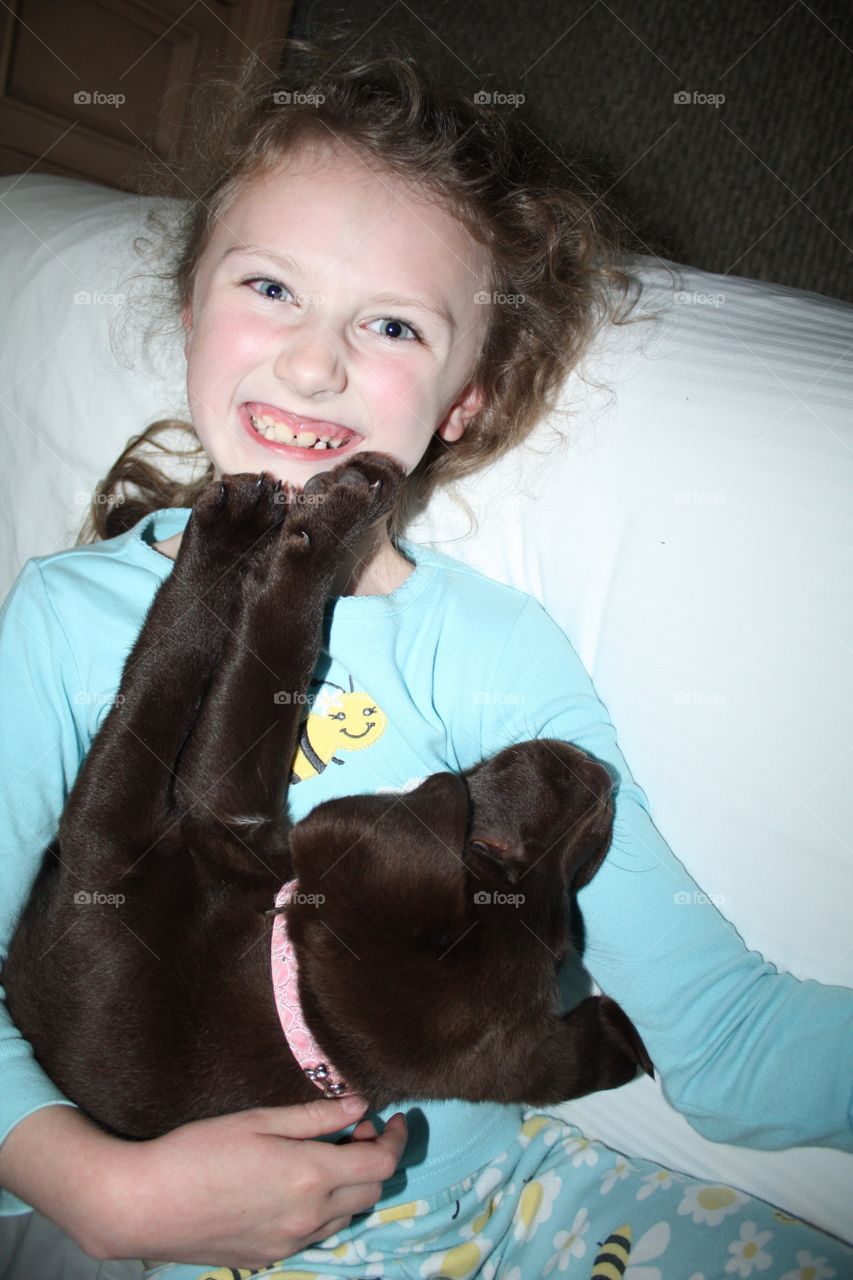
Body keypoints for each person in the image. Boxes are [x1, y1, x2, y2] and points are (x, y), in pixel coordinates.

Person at [0, 31, 851, 1280]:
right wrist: (103, 1189)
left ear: (465, 402)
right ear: (189, 306)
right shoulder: (69, 623)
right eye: (271, 289)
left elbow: (718, 1037)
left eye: (391, 324)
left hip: (486, 1220)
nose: (313, 359)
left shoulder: (487, 651)